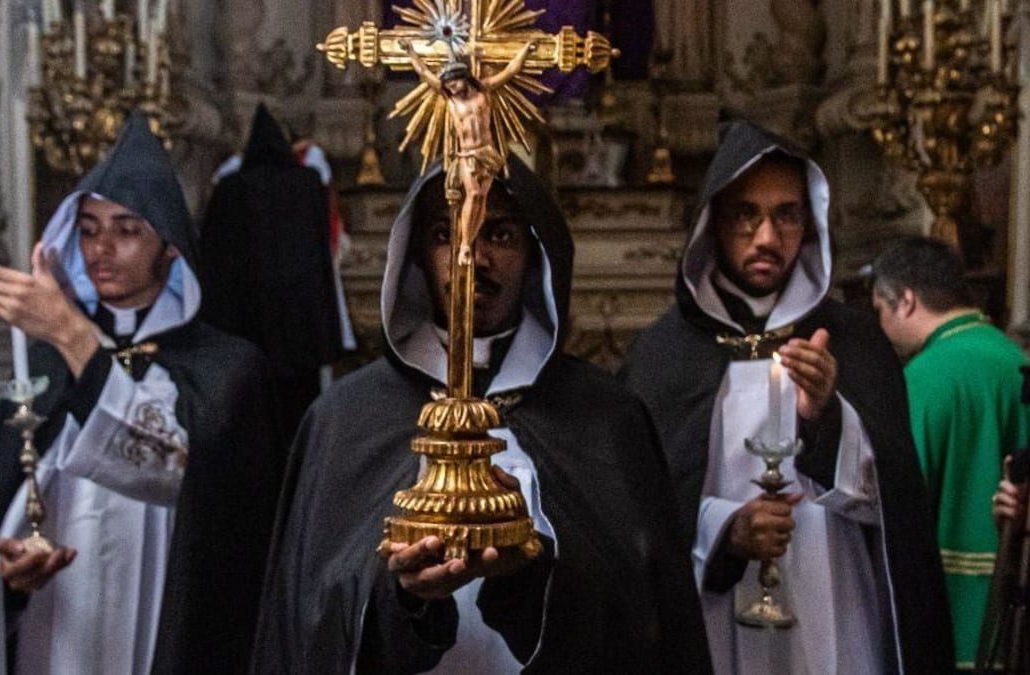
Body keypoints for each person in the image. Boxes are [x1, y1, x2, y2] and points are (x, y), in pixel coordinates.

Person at [251, 157, 712, 674]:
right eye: (445, 233)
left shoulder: (605, 416)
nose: (472, 256)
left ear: (535, 253)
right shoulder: (346, 418)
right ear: (416, 254)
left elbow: (639, 618)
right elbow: (310, 617)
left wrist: (526, 579)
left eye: (500, 234)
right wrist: (406, 596)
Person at [0, 112, 282, 674]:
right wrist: (12, 575)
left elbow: (175, 474)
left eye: (126, 230)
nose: (101, 248)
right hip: (58, 622)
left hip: (165, 623)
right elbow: (7, 509)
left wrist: (72, 334)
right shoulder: (46, 365)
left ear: (169, 247)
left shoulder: (225, 368)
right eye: (88, 228)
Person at [620, 120, 953, 674]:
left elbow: (896, 508)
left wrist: (828, 418)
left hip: (834, 610)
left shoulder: (853, 342)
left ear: (811, 223)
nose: (767, 238)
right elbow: (639, 518)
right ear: (713, 221)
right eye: (746, 214)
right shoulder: (663, 354)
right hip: (713, 619)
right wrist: (724, 531)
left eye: (787, 215)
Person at [870, 235, 1030, 671]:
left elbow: (898, 501)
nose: (880, 328)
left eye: (880, 310)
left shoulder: (924, 376)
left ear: (905, 301)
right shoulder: (1011, 356)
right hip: (1014, 605)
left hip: (944, 610)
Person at [200, 104, 342, 444]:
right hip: (299, 325)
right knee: (297, 418)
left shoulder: (231, 188)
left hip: (244, 325)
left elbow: (214, 258)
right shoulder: (307, 185)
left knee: (250, 421)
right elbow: (319, 255)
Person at [401, 40, 534, 264]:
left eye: (454, 82)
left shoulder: (483, 91)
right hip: (468, 154)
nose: (452, 87)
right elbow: (424, 73)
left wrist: (525, 51)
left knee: (481, 199)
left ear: (463, 78)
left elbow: (510, 71)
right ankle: (464, 246)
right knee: (472, 194)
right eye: (448, 84)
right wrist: (411, 52)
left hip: (487, 153)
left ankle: (470, 241)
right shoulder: (450, 99)